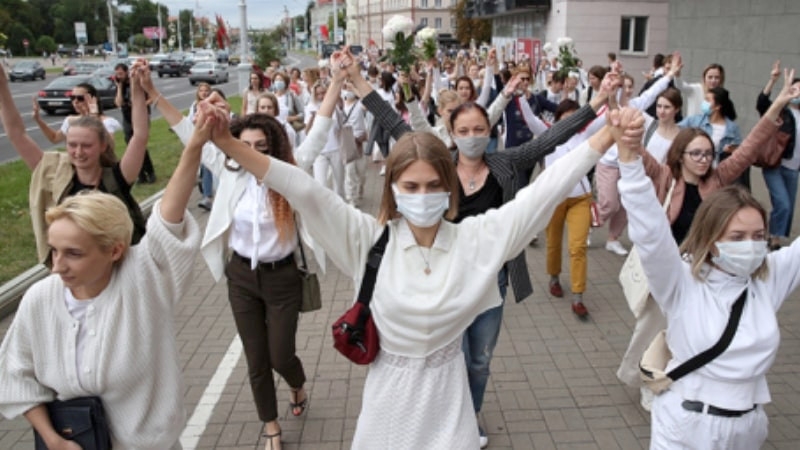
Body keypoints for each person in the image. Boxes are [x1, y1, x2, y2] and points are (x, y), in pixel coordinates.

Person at [199, 50, 637, 449]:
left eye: (433, 186)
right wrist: (226, 144)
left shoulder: (477, 238)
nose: (422, 195)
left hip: (452, 413)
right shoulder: (365, 239)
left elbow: (543, 193)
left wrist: (604, 140)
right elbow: (302, 188)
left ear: (449, 190)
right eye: (410, 186)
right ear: (392, 187)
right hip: (386, 413)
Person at [348, 49, 617, 447]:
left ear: (489, 132)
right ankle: (447, 420)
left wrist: (595, 105)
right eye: (466, 130)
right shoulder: (437, 166)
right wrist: (356, 80)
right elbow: (392, 121)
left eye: (481, 130)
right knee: (447, 355)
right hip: (444, 280)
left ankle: (467, 420)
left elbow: (552, 140)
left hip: (493, 281)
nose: (474, 137)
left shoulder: (506, 163)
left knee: (478, 360)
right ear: (451, 132)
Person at [0, 83, 209, 449]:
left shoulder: (143, 280)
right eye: (54, 251)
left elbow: (168, 224)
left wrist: (195, 146)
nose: (57, 267)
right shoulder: (40, 299)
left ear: (114, 251)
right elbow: (16, 373)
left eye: (74, 254)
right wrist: (54, 440)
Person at [146, 62, 342, 450]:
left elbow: (319, 128)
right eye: (245, 146)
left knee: (280, 355)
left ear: (274, 149)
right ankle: (270, 425)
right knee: (256, 361)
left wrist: (335, 82)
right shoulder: (229, 169)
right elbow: (190, 135)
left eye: (261, 148)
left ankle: (297, 385)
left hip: (283, 278)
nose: (250, 154)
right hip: (241, 279)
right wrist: (155, 96)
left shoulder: (289, 173)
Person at [614, 78, 800, 448]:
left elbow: (747, 150)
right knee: (649, 328)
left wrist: (777, 105)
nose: (752, 246)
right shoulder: (682, 278)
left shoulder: (768, 278)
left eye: (759, 236)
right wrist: (628, 155)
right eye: (737, 237)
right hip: (686, 424)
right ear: (713, 242)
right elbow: (651, 231)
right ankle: (643, 376)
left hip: (749, 427)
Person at [0, 62, 150, 263]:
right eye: (72, 145)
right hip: (78, 276)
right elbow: (17, 134)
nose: (78, 152)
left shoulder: (117, 177)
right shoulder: (56, 175)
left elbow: (139, 136)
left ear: (103, 146)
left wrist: (137, 88)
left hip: (120, 270)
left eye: (86, 145)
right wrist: (2, 85)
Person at [756, 60, 800, 250]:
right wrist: (772, 82)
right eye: (795, 89)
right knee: (782, 203)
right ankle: (773, 240)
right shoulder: (782, 111)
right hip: (775, 165)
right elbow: (762, 104)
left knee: (787, 208)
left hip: (793, 169)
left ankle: (776, 237)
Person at [680, 86, 745, 187]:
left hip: (717, 175)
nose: (704, 103)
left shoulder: (732, 128)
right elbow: (675, 130)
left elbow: (740, 151)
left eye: (707, 100)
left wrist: (731, 150)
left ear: (717, 106)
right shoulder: (694, 121)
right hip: (694, 171)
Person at [33, 82, 122, 145]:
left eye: (80, 98)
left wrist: (93, 115)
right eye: (72, 98)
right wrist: (38, 120)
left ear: (93, 99)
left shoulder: (108, 122)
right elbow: (54, 138)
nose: (75, 102)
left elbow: (109, 146)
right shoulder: (71, 120)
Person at [114, 62, 157, 184]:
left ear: (127, 72)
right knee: (131, 145)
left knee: (140, 144)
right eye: (117, 74)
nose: (119, 76)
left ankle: (150, 172)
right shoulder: (120, 85)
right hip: (127, 117)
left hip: (140, 116)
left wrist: (140, 105)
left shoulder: (137, 82)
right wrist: (118, 87)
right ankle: (140, 175)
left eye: (121, 74)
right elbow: (118, 103)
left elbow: (151, 98)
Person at [190, 82, 215, 210]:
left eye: (206, 90)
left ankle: (208, 196)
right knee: (205, 168)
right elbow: (191, 124)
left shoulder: (214, 106)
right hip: (201, 142)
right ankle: (207, 196)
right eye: (201, 91)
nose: (204, 93)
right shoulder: (194, 106)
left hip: (213, 142)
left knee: (208, 167)